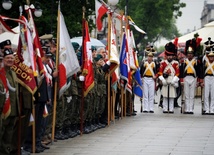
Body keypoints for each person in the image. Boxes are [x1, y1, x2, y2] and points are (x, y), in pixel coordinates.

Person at [0, 48, 19, 155]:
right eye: (7, 58)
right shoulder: (1, 72)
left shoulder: (13, 73)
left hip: (13, 109)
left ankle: (6, 151)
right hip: (4, 110)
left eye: (12, 58)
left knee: (9, 135)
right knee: (2, 134)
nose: (10, 60)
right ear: (3, 60)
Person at [158, 42, 180, 113]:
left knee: (171, 96)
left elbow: (177, 73)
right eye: (168, 55)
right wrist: (162, 80)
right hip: (165, 80)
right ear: (166, 56)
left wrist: (174, 80)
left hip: (172, 80)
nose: (170, 57)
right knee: (164, 96)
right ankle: (165, 108)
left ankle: (171, 108)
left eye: (171, 55)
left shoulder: (176, 63)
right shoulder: (163, 63)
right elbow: (160, 73)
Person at [180, 46, 200, 114]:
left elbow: (198, 71)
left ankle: (191, 109)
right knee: (186, 94)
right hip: (186, 78)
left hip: (193, 78)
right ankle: (186, 109)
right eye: (188, 53)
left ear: (193, 54)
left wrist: (198, 81)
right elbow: (182, 71)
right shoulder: (184, 61)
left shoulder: (196, 61)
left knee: (192, 95)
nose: (190, 55)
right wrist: (182, 80)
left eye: (191, 53)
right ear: (187, 54)